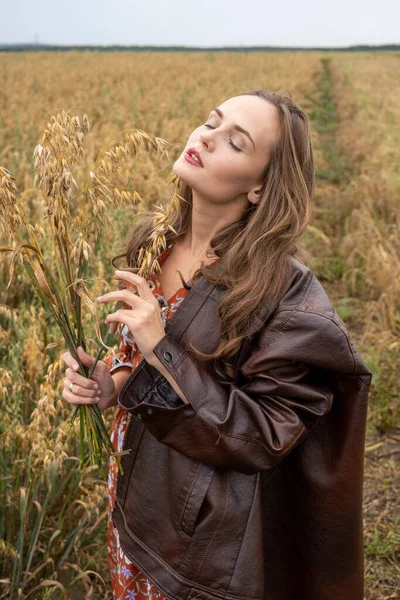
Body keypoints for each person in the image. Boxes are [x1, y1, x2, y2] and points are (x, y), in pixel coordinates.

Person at [61, 90, 373, 600]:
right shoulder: (152, 242)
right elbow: (135, 361)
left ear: (259, 188)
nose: (206, 137)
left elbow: (262, 436)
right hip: (133, 493)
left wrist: (160, 344)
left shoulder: (281, 295)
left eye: (235, 141)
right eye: (211, 121)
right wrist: (109, 383)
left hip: (195, 537)